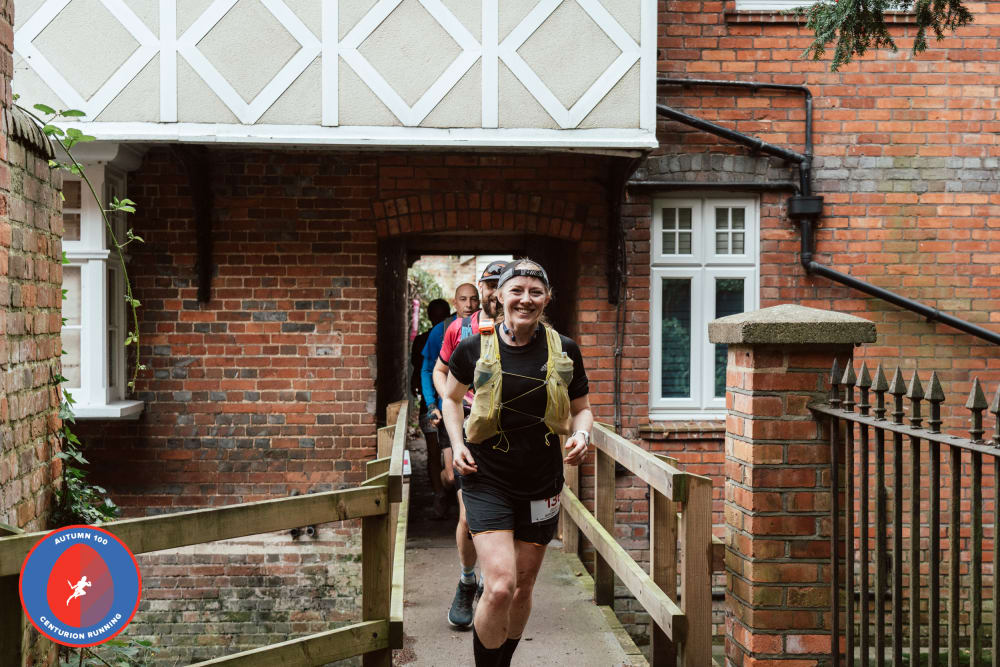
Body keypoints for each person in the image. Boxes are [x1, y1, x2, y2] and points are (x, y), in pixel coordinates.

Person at [442, 259, 592, 667]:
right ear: (500, 296)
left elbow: (582, 409)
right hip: (486, 477)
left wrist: (581, 435)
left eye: (535, 292)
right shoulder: (474, 347)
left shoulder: (565, 350)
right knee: (500, 586)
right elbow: (451, 399)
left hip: (541, 482)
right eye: (517, 291)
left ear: (547, 299)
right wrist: (456, 444)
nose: (526, 299)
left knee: (523, 587)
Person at [432, 260, 508, 629]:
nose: (496, 292)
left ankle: (498, 587)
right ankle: (467, 580)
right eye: (490, 284)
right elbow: (440, 369)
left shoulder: (530, 330)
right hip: (469, 429)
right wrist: (446, 400)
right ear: (482, 288)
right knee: (467, 515)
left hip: (511, 434)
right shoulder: (460, 329)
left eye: (503, 283)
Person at [422, 283, 480, 508]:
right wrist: (432, 404)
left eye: (473, 299)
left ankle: (469, 514)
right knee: (450, 475)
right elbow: (429, 370)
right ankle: (443, 491)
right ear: (454, 302)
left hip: (479, 410)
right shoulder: (442, 330)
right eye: (463, 299)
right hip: (450, 409)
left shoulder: (487, 327)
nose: (469, 304)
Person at [411, 298, 451, 517]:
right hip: (434, 404)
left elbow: (417, 372)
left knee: (440, 453)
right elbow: (420, 370)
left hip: (443, 404)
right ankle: (442, 494)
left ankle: (443, 493)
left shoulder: (427, 339)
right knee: (439, 451)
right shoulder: (425, 340)